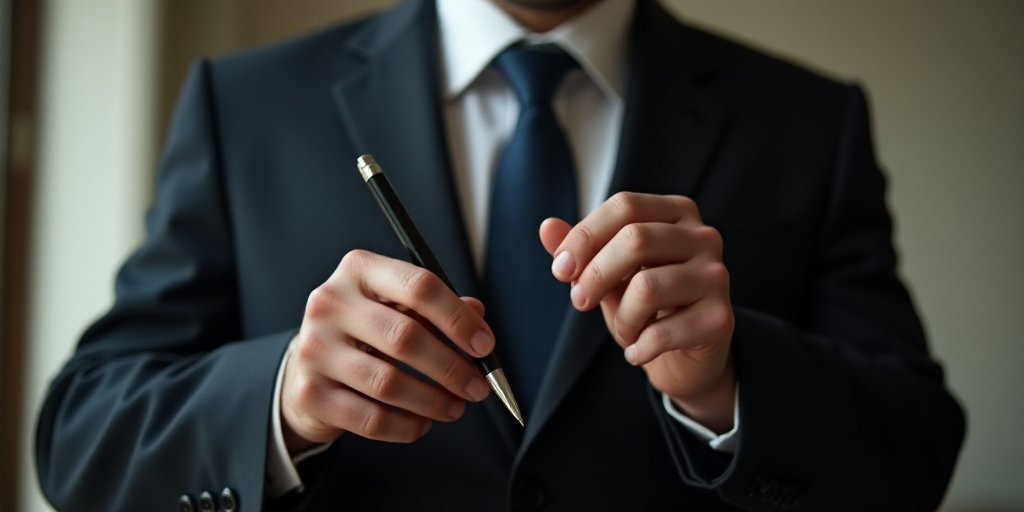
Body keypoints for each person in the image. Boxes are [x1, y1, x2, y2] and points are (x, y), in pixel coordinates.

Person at [36, 0, 965, 510]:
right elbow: (81, 441)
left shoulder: (806, 120)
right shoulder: (246, 107)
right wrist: (279, 402)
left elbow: (917, 448)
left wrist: (726, 387)